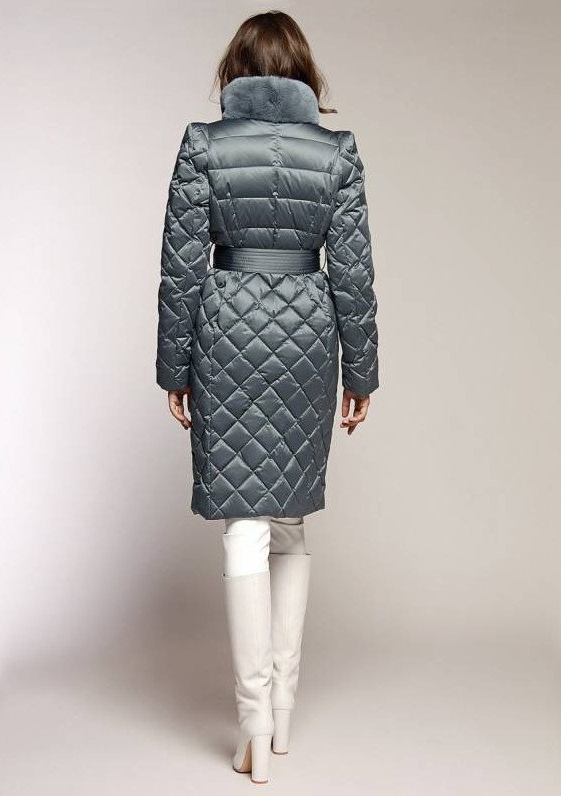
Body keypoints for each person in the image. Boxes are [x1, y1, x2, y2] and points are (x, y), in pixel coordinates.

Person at [155, 10, 379, 785]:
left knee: (245, 528)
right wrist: (361, 373)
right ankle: (281, 713)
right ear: (304, 74)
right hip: (308, 336)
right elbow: (353, 273)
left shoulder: (203, 144)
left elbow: (180, 269)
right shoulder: (336, 152)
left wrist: (174, 367)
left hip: (226, 334)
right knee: (288, 522)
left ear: (235, 71)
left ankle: (251, 723)